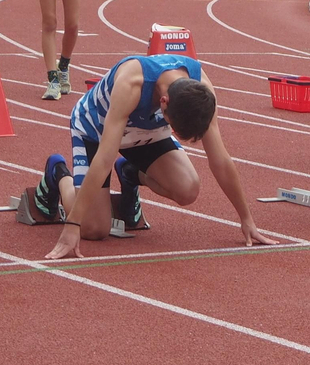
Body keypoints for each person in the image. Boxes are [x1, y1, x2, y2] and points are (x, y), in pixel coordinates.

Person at [34, 52, 275, 259]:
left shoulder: (200, 89)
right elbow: (105, 158)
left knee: (188, 189)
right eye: (177, 131)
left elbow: (221, 160)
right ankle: (59, 175)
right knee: (94, 229)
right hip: (96, 130)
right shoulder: (131, 83)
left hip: (147, 131)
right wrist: (72, 224)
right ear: (164, 102)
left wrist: (247, 219)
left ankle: (130, 173)